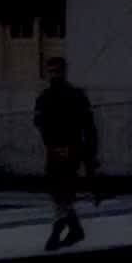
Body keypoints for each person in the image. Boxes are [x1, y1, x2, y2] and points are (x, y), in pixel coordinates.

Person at [33, 56, 94, 251]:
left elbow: (88, 127)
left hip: (69, 148)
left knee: (61, 189)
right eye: (52, 71)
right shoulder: (50, 97)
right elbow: (40, 124)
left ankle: (60, 226)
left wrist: (89, 154)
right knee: (59, 190)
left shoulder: (70, 96)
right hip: (60, 148)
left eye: (56, 71)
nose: (54, 75)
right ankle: (71, 227)